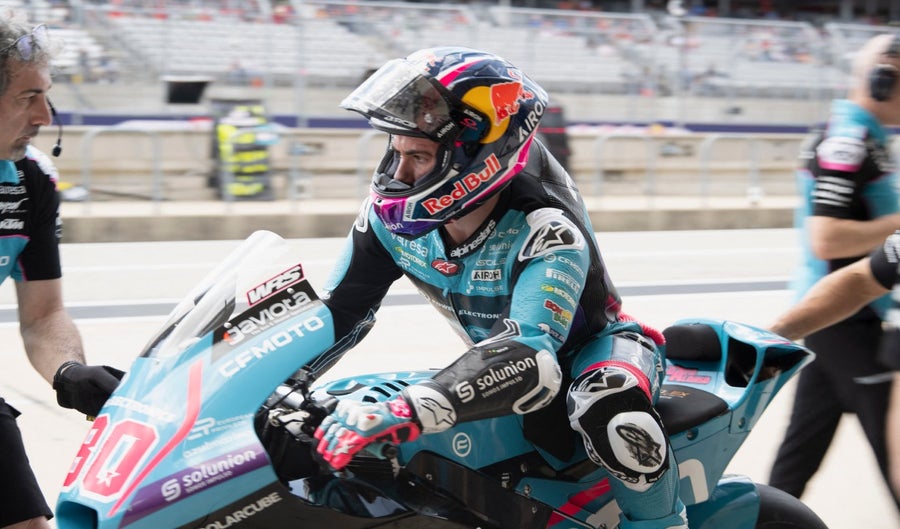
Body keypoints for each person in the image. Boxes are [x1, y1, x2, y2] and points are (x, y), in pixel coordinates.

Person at [309, 47, 688, 529]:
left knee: (608, 405)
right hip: (495, 360)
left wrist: (405, 409)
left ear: (476, 156)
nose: (398, 175)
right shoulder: (388, 219)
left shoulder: (545, 226)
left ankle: (662, 522)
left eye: (419, 156)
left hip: (596, 350)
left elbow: (531, 353)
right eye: (396, 151)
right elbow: (336, 312)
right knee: (349, 396)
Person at [767, 32, 900, 509]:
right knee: (892, 445)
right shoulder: (849, 140)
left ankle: (762, 518)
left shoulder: (868, 136)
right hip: (846, 316)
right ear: (885, 80)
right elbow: (826, 237)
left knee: (798, 455)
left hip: (843, 313)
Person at [0, 17, 122, 529]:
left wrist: (69, 373)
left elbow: (43, 314)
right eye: (29, 97)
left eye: (46, 95)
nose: (45, 116)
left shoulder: (29, 181)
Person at [767, 232, 900, 502]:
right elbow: (860, 280)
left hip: (857, 337)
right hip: (838, 334)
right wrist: (768, 338)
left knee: (799, 452)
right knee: (800, 451)